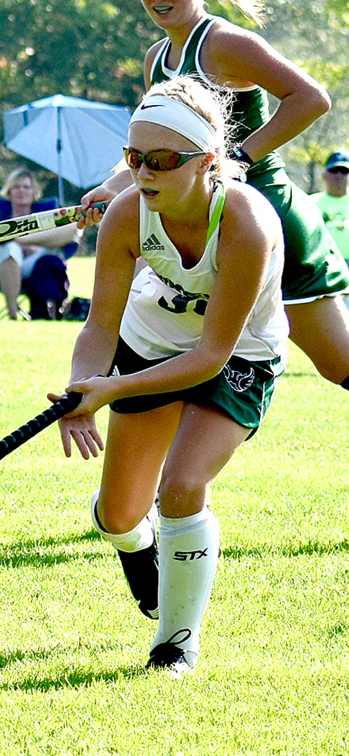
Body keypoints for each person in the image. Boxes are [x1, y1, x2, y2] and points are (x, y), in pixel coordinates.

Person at [52, 76, 287, 676]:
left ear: (208, 161)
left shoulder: (246, 224)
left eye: (160, 160)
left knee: (182, 487)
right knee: (117, 517)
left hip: (237, 357)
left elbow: (211, 356)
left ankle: (175, 643)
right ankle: (143, 546)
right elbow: (100, 326)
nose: (143, 173)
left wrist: (112, 391)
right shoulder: (129, 212)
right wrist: (84, 384)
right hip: (150, 343)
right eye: (134, 158)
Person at [79, 0, 349, 394]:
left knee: (339, 365)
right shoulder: (156, 58)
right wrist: (113, 185)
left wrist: (238, 158)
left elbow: (311, 98)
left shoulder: (224, 43)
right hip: (202, 219)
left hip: (266, 215)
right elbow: (160, 149)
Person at [0, 168, 81, 319]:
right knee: (12, 250)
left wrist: (35, 247)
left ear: (34, 192)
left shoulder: (43, 217)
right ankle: (12, 313)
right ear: (9, 192)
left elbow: (72, 233)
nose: (21, 191)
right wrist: (15, 247)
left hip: (30, 265)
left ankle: (20, 240)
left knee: (69, 231)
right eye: (16, 187)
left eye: (26, 187)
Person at [310, 151, 349, 275]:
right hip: (324, 264)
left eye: (344, 171)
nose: (339, 175)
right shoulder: (311, 202)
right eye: (334, 170)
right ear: (324, 175)